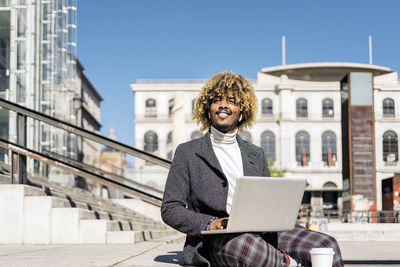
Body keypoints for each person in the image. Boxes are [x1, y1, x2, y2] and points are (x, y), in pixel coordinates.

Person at [161, 72, 344, 267]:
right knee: (247, 246)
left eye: (232, 101)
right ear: (208, 108)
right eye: (216, 101)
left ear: (242, 112)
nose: (223, 105)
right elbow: (170, 209)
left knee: (326, 244)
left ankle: (283, 259)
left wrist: (278, 215)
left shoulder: (256, 154)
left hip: (264, 232)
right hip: (216, 240)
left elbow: (269, 201)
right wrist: (210, 223)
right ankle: (291, 263)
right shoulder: (187, 152)